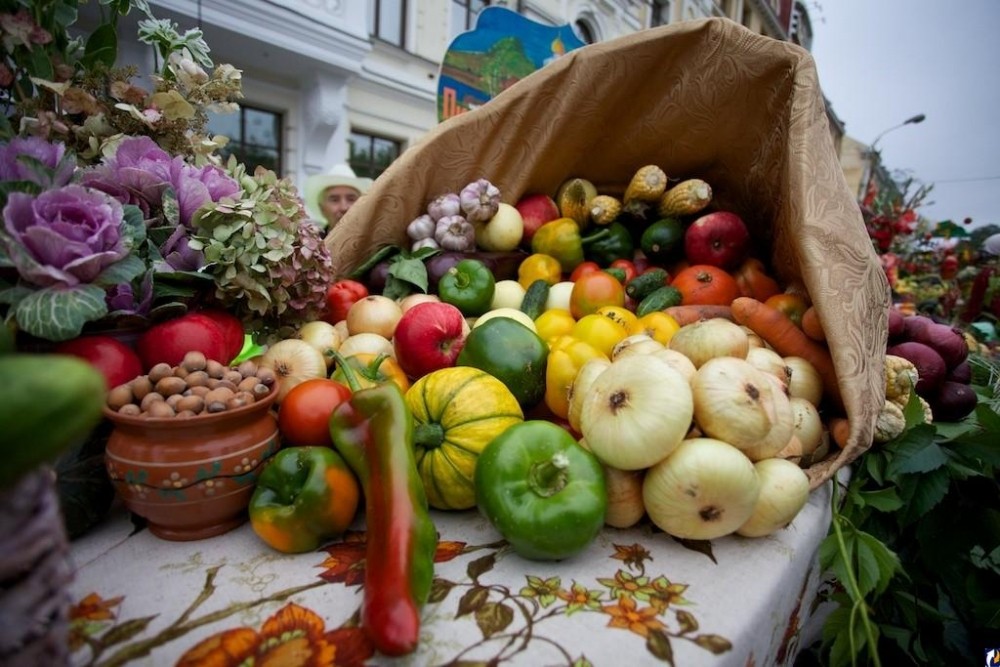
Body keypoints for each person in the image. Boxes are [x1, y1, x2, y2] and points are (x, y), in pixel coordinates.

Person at [303, 163, 373, 229]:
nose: (344, 208)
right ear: (322, 209)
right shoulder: (313, 241)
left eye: (351, 199)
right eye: (335, 200)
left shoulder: (376, 240)